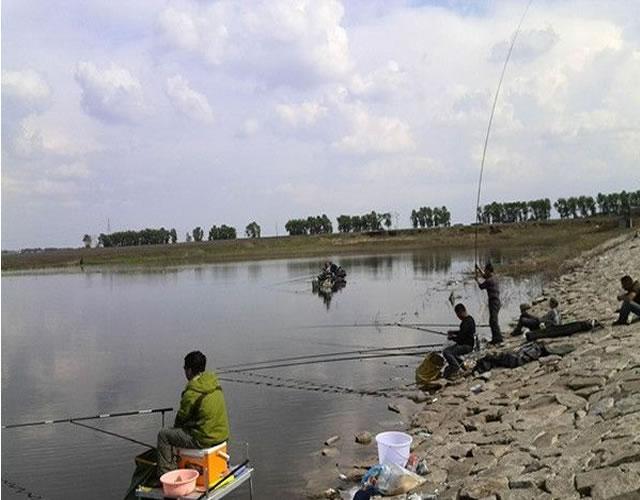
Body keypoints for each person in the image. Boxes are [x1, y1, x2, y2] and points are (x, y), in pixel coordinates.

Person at [157, 351, 230, 476]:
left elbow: (180, 420)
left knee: (164, 435)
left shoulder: (191, 393)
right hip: (222, 436)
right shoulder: (215, 383)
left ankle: (166, 474)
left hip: (204, 439)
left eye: (185, 369)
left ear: (189, 370)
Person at [442, 303, 476, 378]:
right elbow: (462, 332)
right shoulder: (470, 319)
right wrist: (453, 332)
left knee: (446, 352)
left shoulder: (466, 322)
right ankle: (463, 367)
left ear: (462, 312)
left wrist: (451, 338)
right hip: (468, 344)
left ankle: (455, 367)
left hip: (466, 346)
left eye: (458, 315)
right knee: (453, 353)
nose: (458, 317)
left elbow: (460, 339)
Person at [475, 262, 503, 345]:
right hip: (495, 301)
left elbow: (481, 286)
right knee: (493, 320)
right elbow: (484, 276)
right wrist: (479, 269)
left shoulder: (490, 281)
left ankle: (498, 338)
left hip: (494, 302)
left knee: (493, 321)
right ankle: (496, 337)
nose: (484, 271)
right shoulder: (494, 277)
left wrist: (477, 280)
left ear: (488, 270)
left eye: (485, 270)